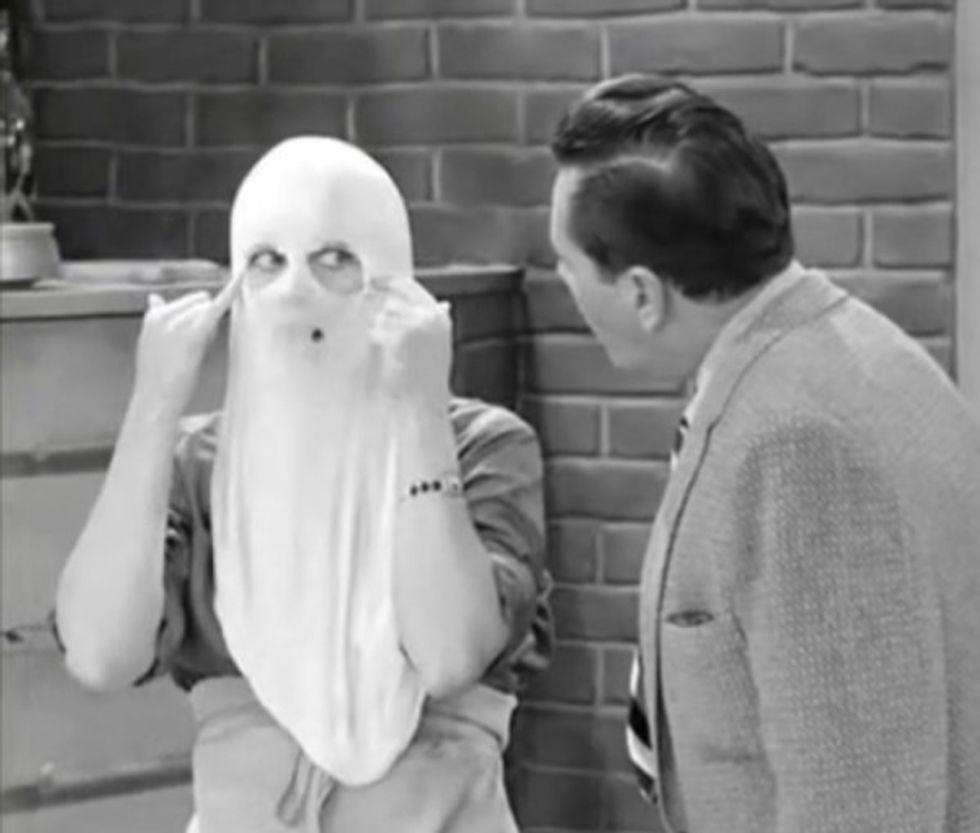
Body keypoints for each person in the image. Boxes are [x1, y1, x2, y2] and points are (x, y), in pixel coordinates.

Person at [54, 136, 552, 832]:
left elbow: (448, 656)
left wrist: (418, 412)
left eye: (336, 258)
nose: (295, 291)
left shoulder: (481, 445)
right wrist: (152, 406)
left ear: (392, 273)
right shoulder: (203, 463)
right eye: (266, 261)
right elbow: (100, 655)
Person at [548, 74, 980, 833]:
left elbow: (858, 809)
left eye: (568, 263)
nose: (561, 282)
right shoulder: (842, 348)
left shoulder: (797, 447)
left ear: (643, 294)